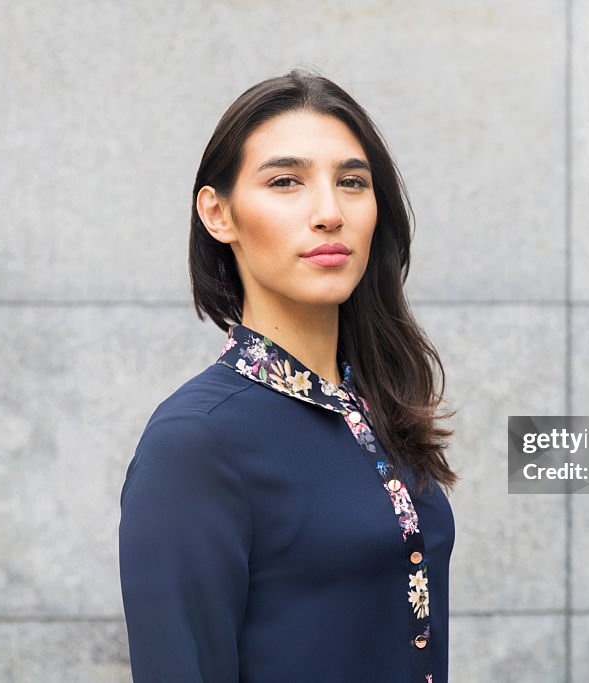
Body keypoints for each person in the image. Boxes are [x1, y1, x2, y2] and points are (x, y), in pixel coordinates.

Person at [118, 68, 458, 683]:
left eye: (352, 182)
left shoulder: (379, 408)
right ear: (218, 214)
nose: (329, 212)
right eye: (286, 182)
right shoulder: (195, 443)